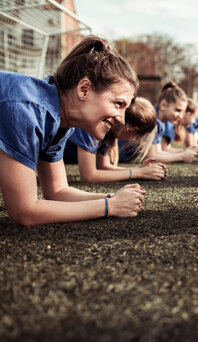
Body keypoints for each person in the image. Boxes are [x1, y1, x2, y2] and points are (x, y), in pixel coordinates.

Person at [0, 36, 145, 225]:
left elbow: (58, 191)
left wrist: (110, 197)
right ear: (84, 89)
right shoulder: (26, 109)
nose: (121, 119)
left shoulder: (60, 120)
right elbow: (25, 212)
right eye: (118, 104)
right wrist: (110, 206)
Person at [63, 97, 167, 182]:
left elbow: (104, 166)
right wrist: (139, 173)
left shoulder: (109, 132)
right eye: (138, 136)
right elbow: (89, 176)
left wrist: (139, 170)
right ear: (130, 130)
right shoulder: (93, 126)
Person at [145, 82, 196, 163]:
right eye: (178, 110)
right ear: (163, 105)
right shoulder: (151, 119)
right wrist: (182, 156)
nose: (181, 116)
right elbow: (152, 157)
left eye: (183, 112)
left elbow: (158, 152)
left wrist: (184, 153)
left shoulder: (160, 124)